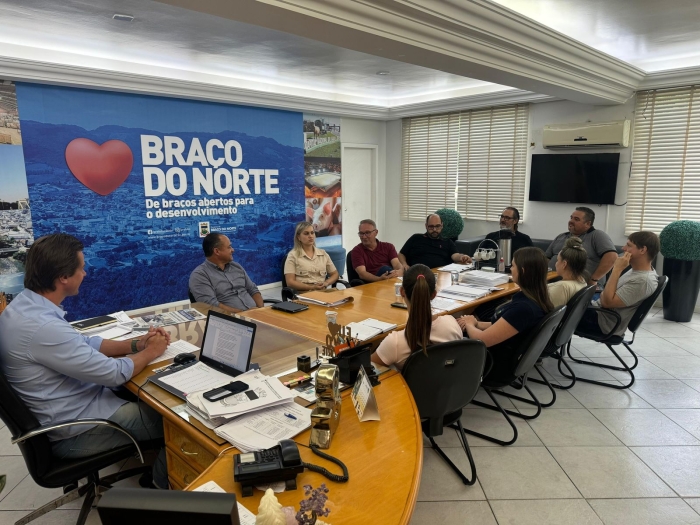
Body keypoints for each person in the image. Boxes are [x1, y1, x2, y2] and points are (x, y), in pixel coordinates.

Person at [0, 234, 170, 488]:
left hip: (67, 409)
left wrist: (135, 344)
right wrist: (152, 351)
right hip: (75, 430)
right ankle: (160, 484)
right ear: (63, 277)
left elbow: (83, 344)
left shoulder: (24, 307)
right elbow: (113, 374)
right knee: (173, 422)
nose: (85, 273)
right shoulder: (42, 326)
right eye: (81, 268)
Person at [458, 247, 553, 383]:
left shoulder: (523, 309)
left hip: (494, 366)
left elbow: (482, 340)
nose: (510, 269)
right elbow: (504, 326)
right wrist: (476, 323)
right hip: (506, 357)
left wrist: (469, 324)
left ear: (523, 271)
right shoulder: (536, 298)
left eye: (513, 266)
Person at [371, 264, 463, 370]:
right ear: (434, 295)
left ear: (402, 292)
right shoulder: (452, 324)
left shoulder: (394, 342)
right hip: (450, 380)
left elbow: (366, 371)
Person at [577, 231, 659, 338]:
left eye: (629, 245)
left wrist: (617, 269)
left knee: (560, 309)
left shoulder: (643, 281)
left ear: (642, 250)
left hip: (602, 323)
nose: (623, 248)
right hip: (598, 309)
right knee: (568, 295)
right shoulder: (636, 270)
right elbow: (607, 294)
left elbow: (607, 302)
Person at [189, 232, 264, 313]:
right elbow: (211, 305)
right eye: (229, 247)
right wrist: (244, 314)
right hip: (230, 319)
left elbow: (253, 290)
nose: (233, 250)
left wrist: (261, 311)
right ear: (217, 251)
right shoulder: (200, 275)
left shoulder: (236, 267)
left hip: (256, 315)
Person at [545, 207, 617, 285]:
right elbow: (546, 259)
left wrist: (594, 279)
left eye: (576, 219)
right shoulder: (561, 236)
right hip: (551, 282)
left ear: (588, 224)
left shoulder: (597, 235)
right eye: (571, 218)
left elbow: (612, 257)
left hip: (582, 285)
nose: (571, 221)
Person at [398, 214, 472, 271]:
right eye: (431, 227)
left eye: (437, 226)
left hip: (439, 274)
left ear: (442, 226)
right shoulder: (416, 238)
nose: (434, 230)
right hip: (417, 274)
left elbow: (455, 255)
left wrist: (462, 257)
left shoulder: (447, 242)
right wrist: (404, 264)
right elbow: (401, 254)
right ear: (426, 226)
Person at [284, 221, 339, 291]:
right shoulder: (292, 256)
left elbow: (335, 274)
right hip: (304, 293)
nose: (310, 236)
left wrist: (326, 283)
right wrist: (312, 287)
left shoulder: (323, 253)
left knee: (344, 296)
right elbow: (290, 282)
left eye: (312, 233)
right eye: (306, 233)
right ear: (298, 237)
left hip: (322, 291)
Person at [548, 236, 588, 307]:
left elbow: (551, 312)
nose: (556, 264)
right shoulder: (582, 280)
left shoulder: (562, 287)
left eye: (558, 260)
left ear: (564, 264)